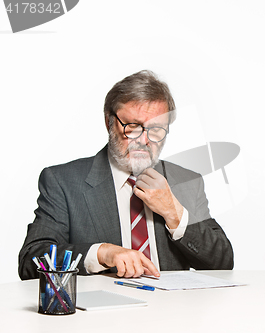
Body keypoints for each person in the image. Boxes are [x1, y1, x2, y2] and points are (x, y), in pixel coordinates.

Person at [19, 70, 234, 280]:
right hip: (103, 313)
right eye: (133, 126)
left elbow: (223, 264)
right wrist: (101, 253)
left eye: (157, 129)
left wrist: (174, 214)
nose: (144, 139)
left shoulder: (187, 181)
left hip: (172, 312)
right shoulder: (63, 182)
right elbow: (31, 260)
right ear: (109, 123)